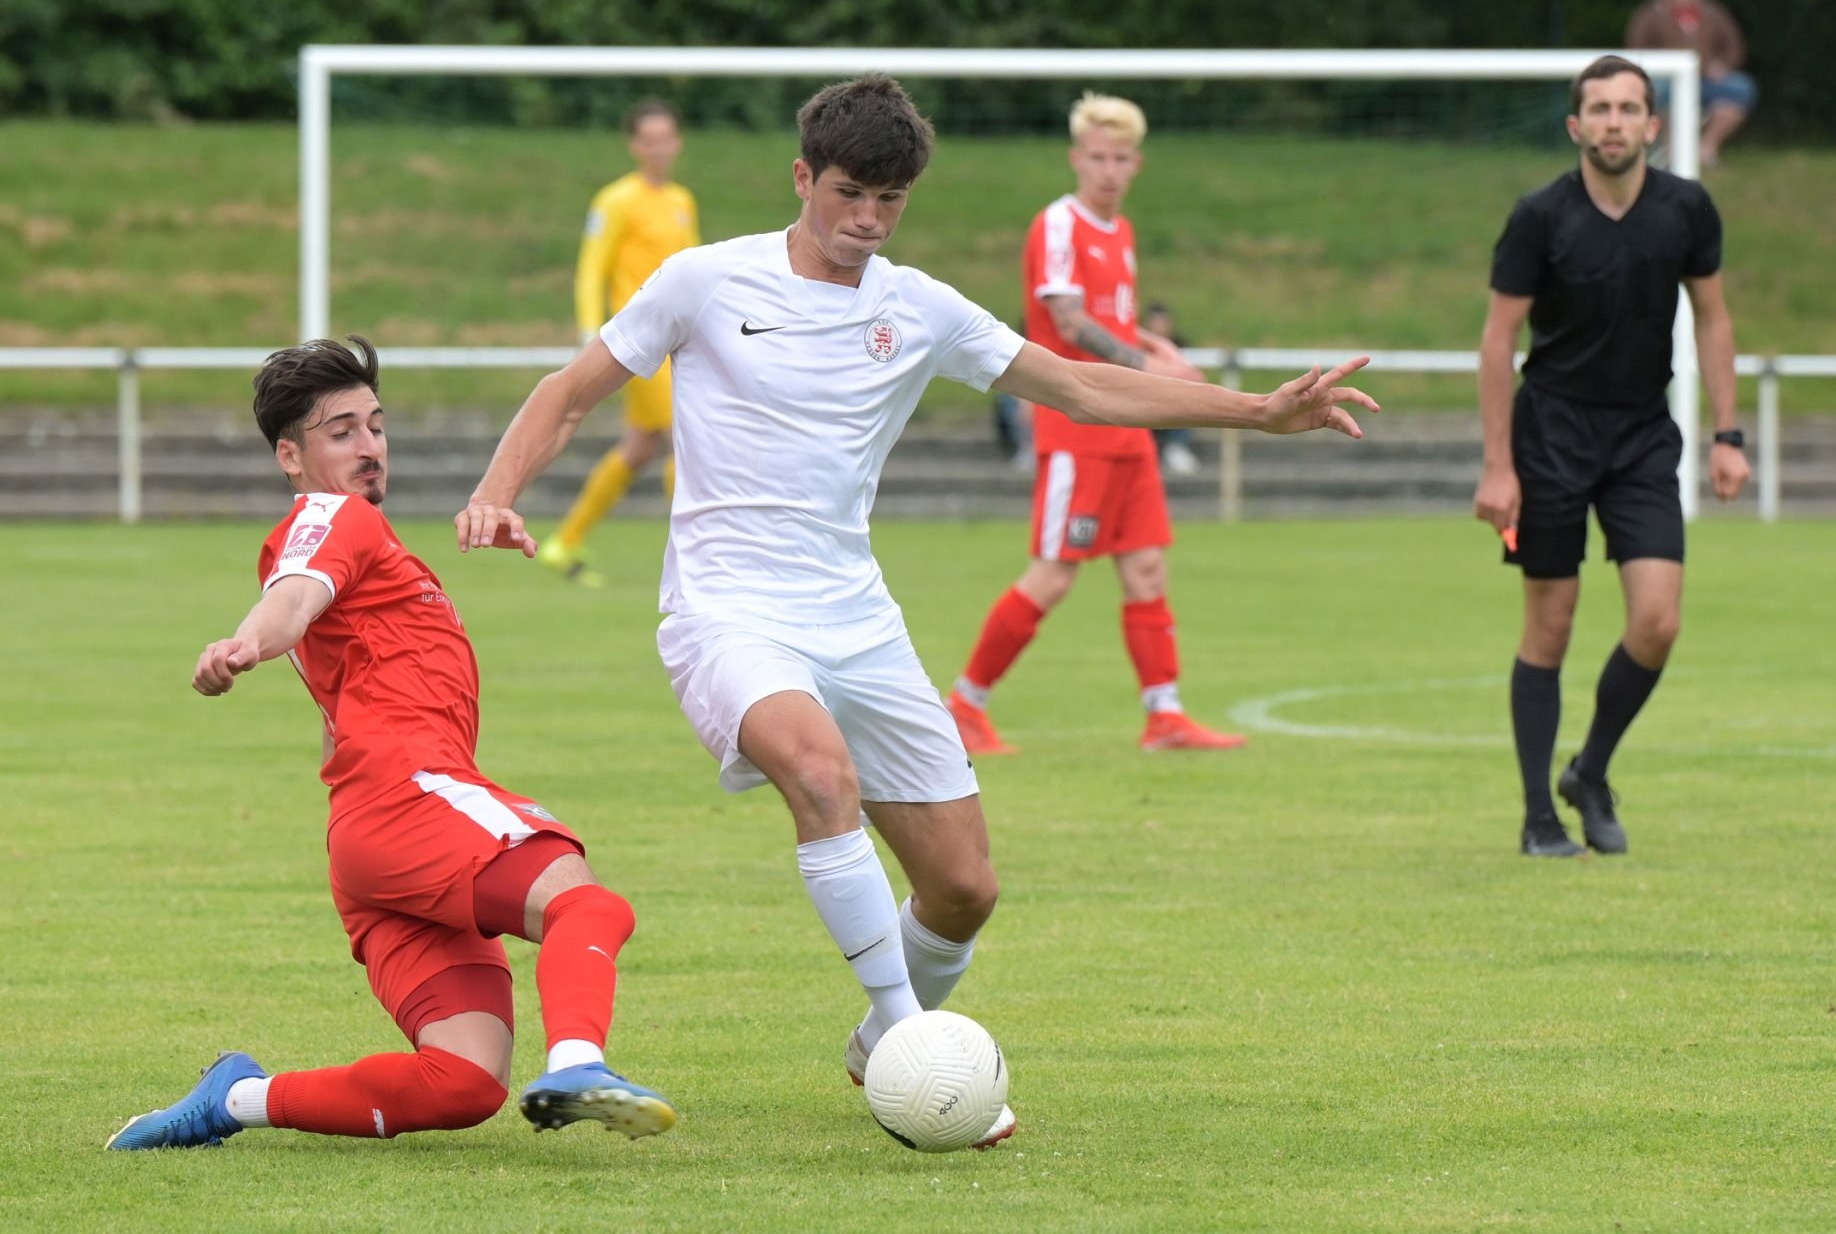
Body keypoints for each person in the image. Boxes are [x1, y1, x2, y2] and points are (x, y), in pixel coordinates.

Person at [454, 75, 1374, 1146]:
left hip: (858, 617)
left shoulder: (919, 306)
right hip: (727, 609)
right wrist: (496, 491)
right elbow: (569, 392)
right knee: (819, 774)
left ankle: (875, 1044)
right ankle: (910, 1039)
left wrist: (1259, 412)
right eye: (849, 192)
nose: (868, 218)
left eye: (889, 199)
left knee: (963, 888)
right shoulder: (704, 280)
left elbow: (1081, 386)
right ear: (802, 178)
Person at [108, 337, 674, 1150]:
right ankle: (579, 1065)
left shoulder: (370, 547)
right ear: (291, 457)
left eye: (376, 426)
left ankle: (236, 1100)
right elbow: (290, 601)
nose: (370, 446)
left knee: (465, 1081)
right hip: (408, 798)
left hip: (370, 840)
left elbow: (324, 645)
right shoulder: (332, 516)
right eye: (341, 432)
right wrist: (246, 643)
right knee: (585, 903)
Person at [1473, 55, 1750, 859]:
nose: (1614, 122)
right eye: (1599, 109)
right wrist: (1498, 464)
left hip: (1641, 436)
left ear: (1653, 125)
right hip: (1551, 435)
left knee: (1658, 622)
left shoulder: (1686, 209)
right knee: (1550, 624)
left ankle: (1589, 772)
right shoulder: (1539, 217)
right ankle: (1538, 818)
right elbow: (1497, 343)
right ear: (1576, 126)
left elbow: (1714, 319)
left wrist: (1727, 435)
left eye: (1629, 109)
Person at [946, 93, 1243, 757]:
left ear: (1137, 164)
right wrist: (1151, 367)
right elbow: (1070, 321)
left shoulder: (1121, 233)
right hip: (1077, 427)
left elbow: (1115, 320)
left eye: (1120, 158)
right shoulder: (1059, 225)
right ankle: (964, 705)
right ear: (1076, 158)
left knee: (1147, 570)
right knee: (1053, 575)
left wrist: (1160, 352)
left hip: (1129, 428)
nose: (1109, 170)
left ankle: (1165, 716)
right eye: (1098, 157)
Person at [538, 99, 700, 588]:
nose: (659, 148)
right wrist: (591, 332)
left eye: (666, 138)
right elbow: (593, 268)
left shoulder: (681, 201)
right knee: (685, 438)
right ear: (634, 145)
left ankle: (565, 541)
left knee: (641, 445)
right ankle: (693, 560)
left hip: (678, 342)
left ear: (678, 142)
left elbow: (694, 271)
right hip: (641, 343)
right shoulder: (616, 200)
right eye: (649, 140)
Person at [1626, 0, 1757, 168]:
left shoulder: (1713, 12)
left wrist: (1723, 66)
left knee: (1741, 88)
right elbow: (1636, 47)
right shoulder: (1650, 14)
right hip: (1667, 80)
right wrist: (1662, 67)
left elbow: (1734, 45)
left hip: (1706, 79)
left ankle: (1707, 147)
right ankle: (1671, 151)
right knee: (1656, 92)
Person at [1144, 303, 1201, 476]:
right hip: (1145, 398)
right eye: (1155, 322)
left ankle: (1176, 447)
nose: (1159, 327)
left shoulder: (1180, 346)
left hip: (1171, 399)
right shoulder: (1137, 346)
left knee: (1186, 403)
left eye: (1163, 322)